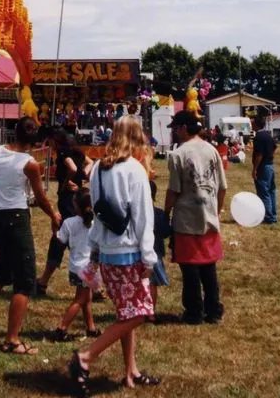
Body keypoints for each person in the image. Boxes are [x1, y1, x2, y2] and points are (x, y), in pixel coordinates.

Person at [67, 116, 160, 394]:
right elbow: (144, 217)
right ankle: (86, 357)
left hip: (107, 252)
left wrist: (95, 252)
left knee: (125, 313)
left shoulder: (97, 169)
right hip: (129, 252)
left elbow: (97, 212)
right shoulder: (133, 170)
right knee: (140, 313)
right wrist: (149, 257)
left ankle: (130, 371)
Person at [0, 116, 61, 355]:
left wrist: (2, 184)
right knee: (25, 279)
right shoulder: (30, 164)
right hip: (18, 218)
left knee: (3, 271)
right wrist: (54, 215)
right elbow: (40, 197)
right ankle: (12, 339)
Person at [165, 111, 226, 326]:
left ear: (183, 128)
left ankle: (193, 312)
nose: (174, 131)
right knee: (209, 267)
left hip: (186, 218)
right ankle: (214, 310)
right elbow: (222, 187)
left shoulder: (178, 154)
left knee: (189, 267)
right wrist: (216, 211)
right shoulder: (212, 150)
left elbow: (174, 190)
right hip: (208, 216)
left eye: (175, 127)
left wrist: (165, 213)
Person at [37, 129, 93, 295]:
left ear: (56, 139)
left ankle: (43, 282)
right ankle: (93, 284)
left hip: (69, 200)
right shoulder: (78, 151)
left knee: (60, 241)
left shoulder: (63, 153)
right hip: (80, 197)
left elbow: (73, 168)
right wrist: (84, 177)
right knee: (84, 240)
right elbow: (90, 163)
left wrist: (67, 181)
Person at [49, 190, 100, 342]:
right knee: (81, 299)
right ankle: (62, 328)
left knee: (86, 298)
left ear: (76, 206)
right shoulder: (96, 222)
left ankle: (91, 328)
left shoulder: (68, 223)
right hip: (89, 268)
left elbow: (60, 240)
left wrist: (54, 228)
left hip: (75, 267)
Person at [148, 180, 171, 319]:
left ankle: (142, 311)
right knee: (152, 284)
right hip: (155, 253)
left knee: (143, 284)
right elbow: (166, 232)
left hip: (139, 254)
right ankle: (150, 313)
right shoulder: (159, 213)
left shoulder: (134, 214)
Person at [252, 115, 277, 225]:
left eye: (252, 123)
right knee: (271, 190)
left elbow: (259, 155)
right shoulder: (268, 135)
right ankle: (273, 215)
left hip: (263, 167)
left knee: (263, 191)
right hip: (270, 165)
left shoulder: (258, 137)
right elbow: (275, 147)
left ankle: (268, 217)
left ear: (257, 124)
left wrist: (254, 169)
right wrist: (271, 156)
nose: (251, 125)